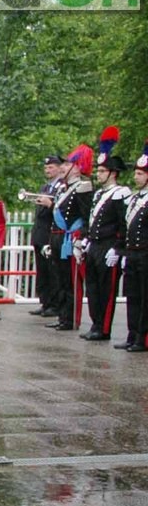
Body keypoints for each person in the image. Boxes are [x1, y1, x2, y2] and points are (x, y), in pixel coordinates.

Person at [79, 145, 130, 342]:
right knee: (92, 288)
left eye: (102, 171)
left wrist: (118, 248)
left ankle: (104, 327)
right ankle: (95, 323)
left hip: (109, 245)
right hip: (95, 245)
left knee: (106, 290)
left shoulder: (120, 194)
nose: (98, 174)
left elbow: (123, 224)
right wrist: (86, 239)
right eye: (98, 170)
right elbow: (91, 220)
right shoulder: (99, 194)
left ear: (113, 173)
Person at [47, 146, 94, 332]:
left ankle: (71, 319)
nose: (63, 167)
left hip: (70, 239)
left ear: (77, 167)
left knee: (71, 281)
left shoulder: (83, 187)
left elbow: (86, 216)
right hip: (59, 238)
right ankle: (62, 316)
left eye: (67, 164)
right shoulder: (64, 188)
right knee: (60, 279)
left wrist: (81, 238)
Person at [115, 147, 148, 352]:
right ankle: (132, 332)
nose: (136, 177)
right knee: (132, 295)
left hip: (145, 252)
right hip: (133, 252)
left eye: (140, 173)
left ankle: (142, 337)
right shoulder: (135, 198)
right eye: (136, 173)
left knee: (145, 297)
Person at [28, 155, 65, 317]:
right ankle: (45, 302)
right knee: (42, 271)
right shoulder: (45, 187)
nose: (48, 171)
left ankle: (55, 304)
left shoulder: (61, 187)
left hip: (50, 234)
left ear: (59, 168)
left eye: (51, 167)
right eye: (46, 168)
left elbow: (60, 211)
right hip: (40, 234)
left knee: (52, 271)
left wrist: (50, 205)